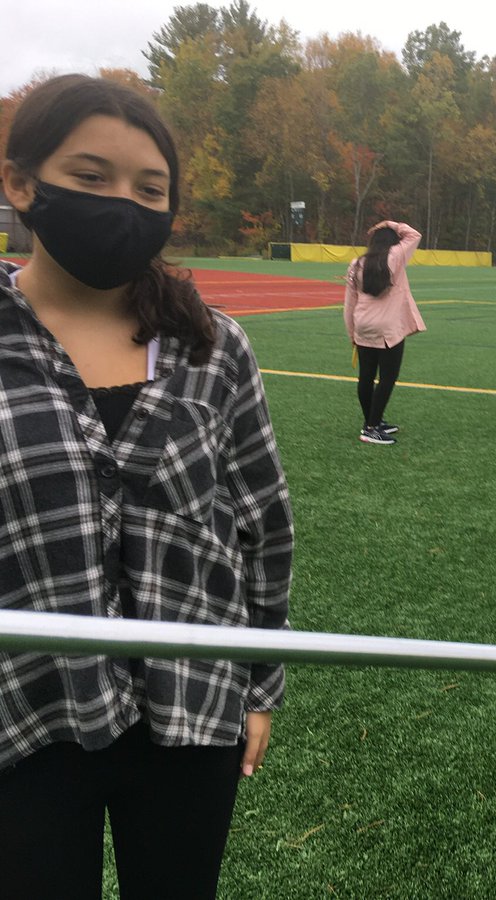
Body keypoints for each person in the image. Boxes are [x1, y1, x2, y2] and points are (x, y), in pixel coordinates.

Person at [0, 75, 293, 898]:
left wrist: (260, 688)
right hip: (25, 705)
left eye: (148, 187)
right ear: (22, 183)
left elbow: (263, 527)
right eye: (90, 178)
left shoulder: (215, 347)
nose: (121, 203)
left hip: (193, 708)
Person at [344, 220, 424, 445]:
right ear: (392, 242)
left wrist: (351, 332)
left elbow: (349, 302)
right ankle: (371, 427)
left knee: (366, 377)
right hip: (388, 328)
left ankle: (372, 421)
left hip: (363, 325)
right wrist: (392, 223)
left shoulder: (356, 264)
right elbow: (414, 235)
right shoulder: (396, 257)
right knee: (388, 377)